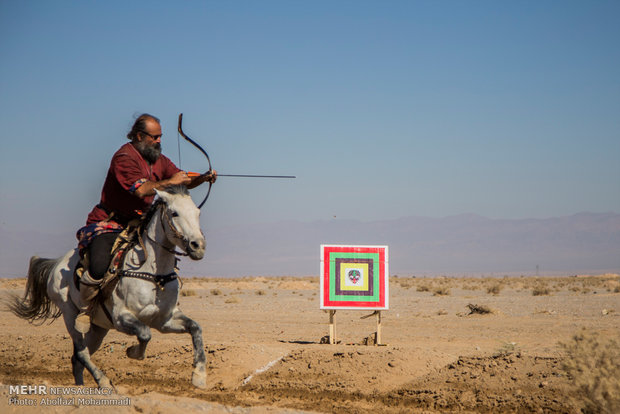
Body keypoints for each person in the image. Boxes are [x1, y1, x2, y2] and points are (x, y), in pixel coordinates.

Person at [74, 113, 216, 333]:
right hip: (111, 222)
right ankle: (86, 308)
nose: (159, 141)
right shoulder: (124, 158)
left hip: (141, 222)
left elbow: (182, 179)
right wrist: (171, 181)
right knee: (99, 266)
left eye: (161, 137)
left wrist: (203, 178)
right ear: (139, 136)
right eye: (155, 137)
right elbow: (141, 189)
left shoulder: (158, 159)